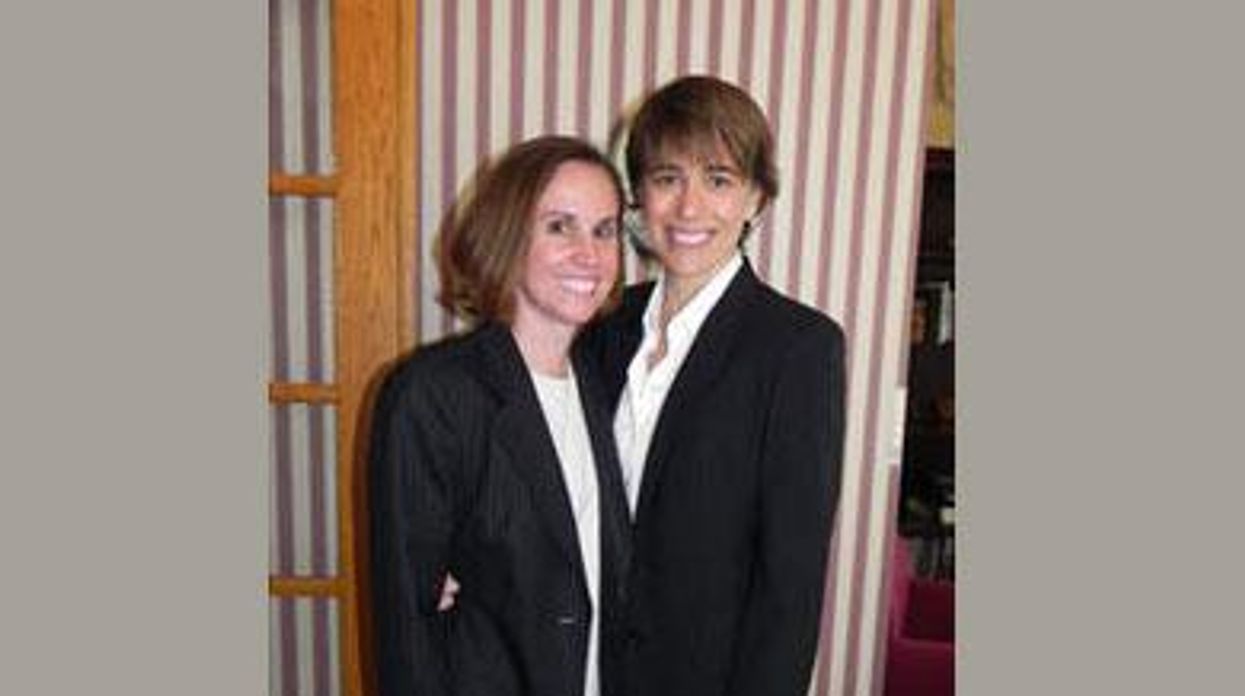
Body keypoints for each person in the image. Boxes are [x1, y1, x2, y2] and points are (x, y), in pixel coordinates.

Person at [583, 75, 847, 696]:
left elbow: (790, 586)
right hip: (584, 670)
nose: (689, 207)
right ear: (639, 194)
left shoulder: (798, 349)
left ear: (756, 197)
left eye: (719, 179)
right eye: (667, 178)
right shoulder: (601, 326)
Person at [369, 135, 633, 696]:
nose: (588, 254)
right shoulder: (434, 396)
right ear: (509, 235)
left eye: (604, 230)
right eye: (559, 226)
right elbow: (407, 628)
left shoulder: (602, 382)